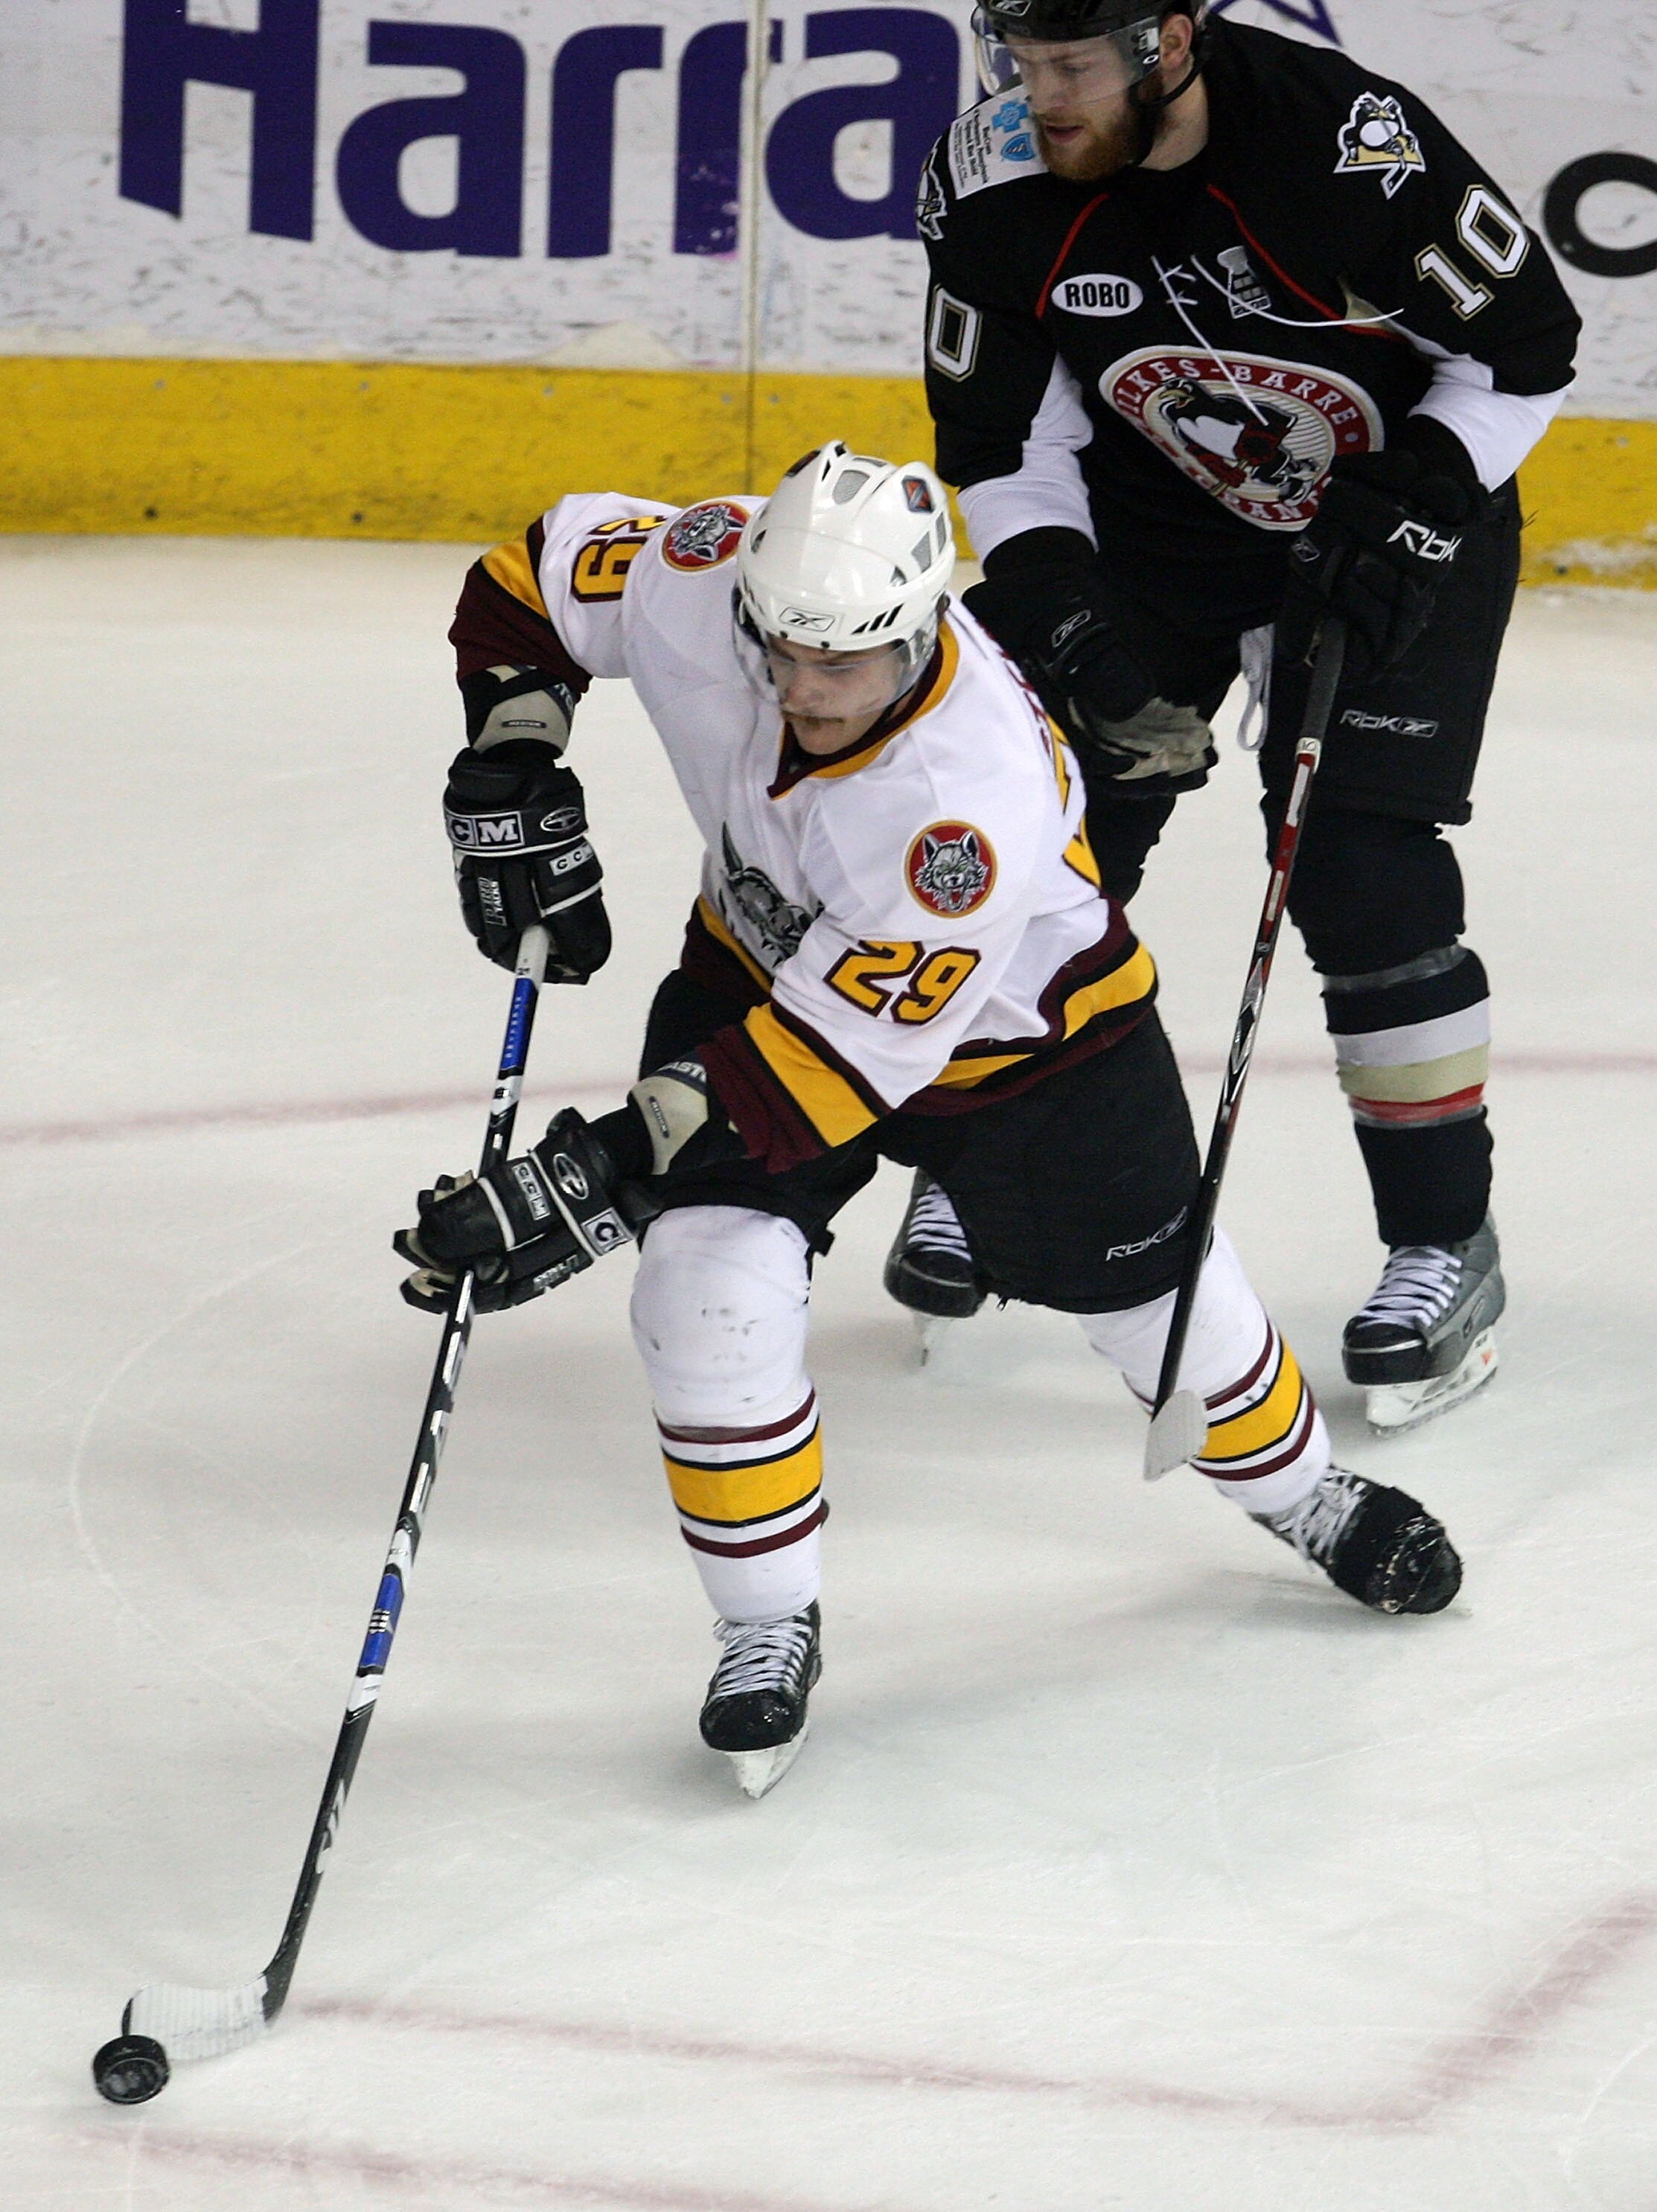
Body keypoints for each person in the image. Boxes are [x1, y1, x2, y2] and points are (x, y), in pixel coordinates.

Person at [395, 443, 1462, 1800]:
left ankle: (1306, 1494)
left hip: (1033, 1052)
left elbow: (812, 1079)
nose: (799, 690)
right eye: (778, 653)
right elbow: (524, 581)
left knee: (1164, 1320)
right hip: (761, 970)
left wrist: (592, 1173)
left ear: (916, 632)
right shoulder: (705, 572)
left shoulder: (967, 801)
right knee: (701, 1293)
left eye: (841, 665)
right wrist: (515, 758)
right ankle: (765, 1622)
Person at [890, 0, 1581, 1433]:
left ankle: (1443, 1245)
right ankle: (989, 1164)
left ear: (1172, 44)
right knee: (1046, 836)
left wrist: (1406, 515)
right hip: (1153, 531)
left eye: (1074, 67)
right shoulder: (991, 182)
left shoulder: (1342, 149)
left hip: (1401, 510)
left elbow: (1524, 353)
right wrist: (1068, 623)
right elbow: (1004, 445)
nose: (1043, 98)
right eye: (1021, 64)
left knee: (1358, 865)